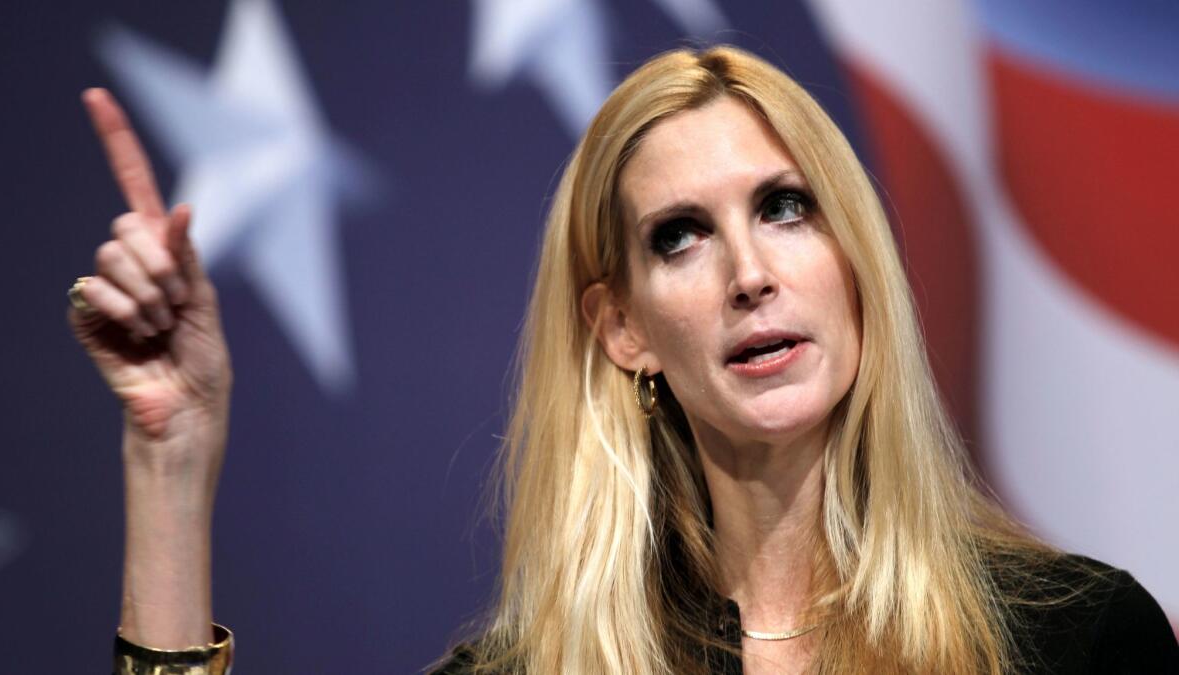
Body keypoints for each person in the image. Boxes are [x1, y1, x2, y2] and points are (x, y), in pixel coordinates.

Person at [70, 46, 1176, 674]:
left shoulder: (1081, 642)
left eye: (786, 209)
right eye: (679, 236)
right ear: (622, 328)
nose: (749, 271)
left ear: (856, 264)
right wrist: (171, 455)